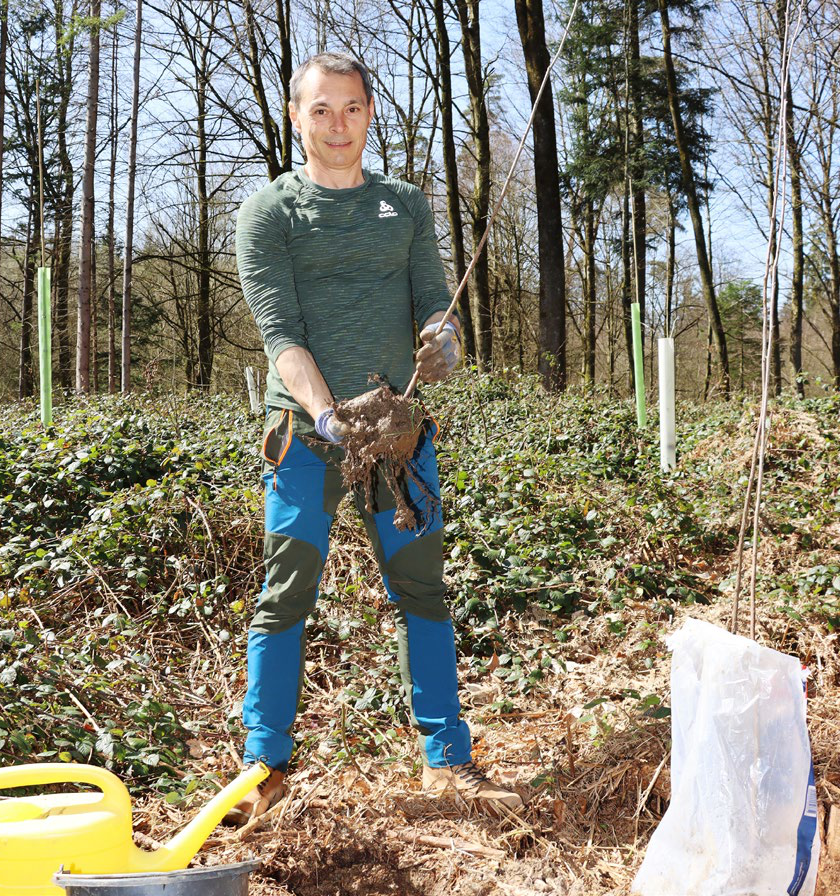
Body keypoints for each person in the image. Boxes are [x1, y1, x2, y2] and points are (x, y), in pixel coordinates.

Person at [226, 52, 521, 822]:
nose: (337, 125)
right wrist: (330, 419)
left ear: (369, 114)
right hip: (302, 434)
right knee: (286, 591)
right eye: (320, 110)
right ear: (297, 117)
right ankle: (264, 768)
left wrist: (444, 341)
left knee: (422, 587)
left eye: (351, 108)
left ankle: (446, 757)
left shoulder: (405, 206)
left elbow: (435, 301)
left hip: (400, 436)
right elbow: (280, 334)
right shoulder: (269, 214)